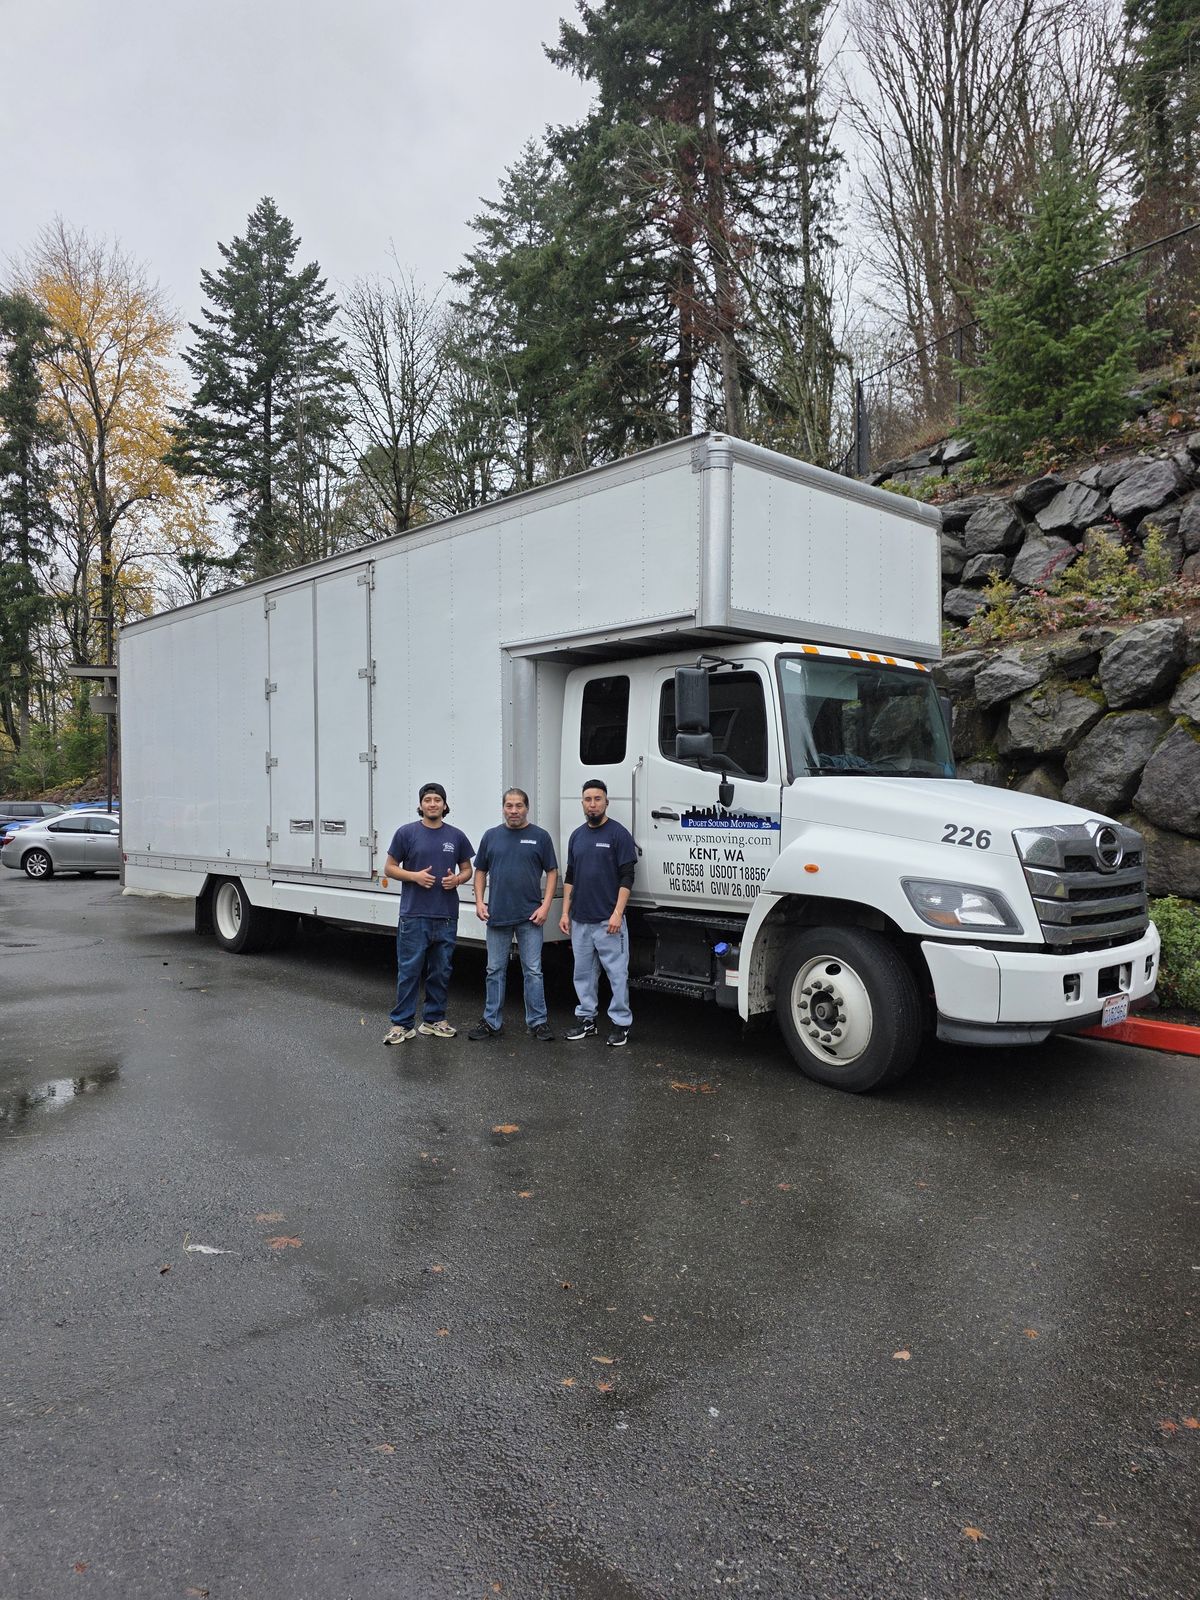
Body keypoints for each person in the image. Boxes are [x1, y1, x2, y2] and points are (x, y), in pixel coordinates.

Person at [382, 783, 474, 1045]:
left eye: (437, 800)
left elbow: (467, 868)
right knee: (409, 971)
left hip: (445, 916)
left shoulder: (456, 836)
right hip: (414, 915)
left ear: (445, 805)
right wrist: (414, 876)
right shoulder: (406, 833)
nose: (432, 804)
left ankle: (433, 1020)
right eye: (428, 800)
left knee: (441, 971)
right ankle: (402, 1024)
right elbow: (389, 868)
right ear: (421, 805)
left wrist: (456, 880)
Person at [468, 788, 558, 1042]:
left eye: (519, 805)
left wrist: (546, 906)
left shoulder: (540, 837)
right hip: (497, 916)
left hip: (531, 917)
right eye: (509, 805)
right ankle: (491, 1021)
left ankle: (538, 1022)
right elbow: (480, 872)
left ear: (527, 808)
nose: (514, 810)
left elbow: (552, 871)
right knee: (494, 970)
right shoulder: (491, 836)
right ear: (503, 808)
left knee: (533, 971)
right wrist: (479, 901)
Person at [559, 777, 637, 1047]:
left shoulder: (618, 834)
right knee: (583, 974)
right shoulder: (577, 836)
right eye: (588, 799)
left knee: (617, 974)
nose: (592, 804)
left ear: (606, 802)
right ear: (582, 803)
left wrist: (617, 913)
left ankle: (621, 1023)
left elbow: (627, 877)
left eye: (597, 799)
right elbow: (570, 876)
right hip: (580, 920)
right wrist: (565, 912)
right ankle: (587, 1020)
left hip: (608, 920)